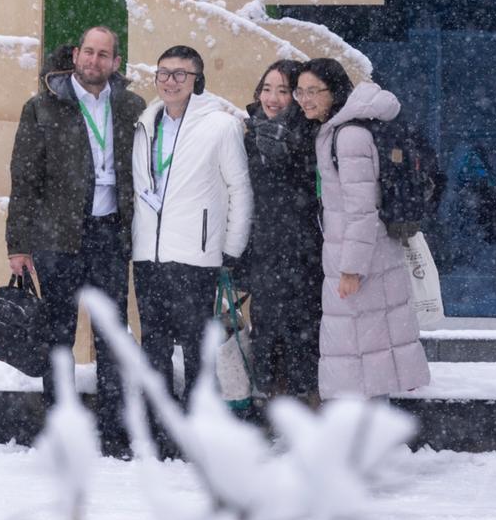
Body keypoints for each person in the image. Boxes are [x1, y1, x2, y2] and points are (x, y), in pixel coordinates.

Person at [7, 25, 146, 445]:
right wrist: (18, 243)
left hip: (110, 235)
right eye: (89, 52)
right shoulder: (43, 107)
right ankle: (61, 428)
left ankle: (112, 431)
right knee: (58, 335)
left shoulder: (132, 107)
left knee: (111, 335)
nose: (94, 61)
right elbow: (24, 178)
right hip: (57, 238)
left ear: (115, 63)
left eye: (104, 55)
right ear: (75, 55)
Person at [129, 46, 251, 446]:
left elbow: (239, 189)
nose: (170, 80)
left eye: (181, 74)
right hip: (149, 255)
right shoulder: (145, 123)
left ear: (198, 80)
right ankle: (160, 428)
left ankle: (198, 429)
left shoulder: (219, 125)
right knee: (155, 348)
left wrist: (231, 249)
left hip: (196, 257)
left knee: (199, 350)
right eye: (164, 72)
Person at [292, 58, 431, 397]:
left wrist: (351, 269)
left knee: (362, 360)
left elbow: (361, 210)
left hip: (360, 263)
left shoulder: (349, 136)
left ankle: (365, 445)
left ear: (334, 92)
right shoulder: (338, 129)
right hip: (367, 257)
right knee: (370, 357)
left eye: (314, 91)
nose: (305, 99)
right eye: (300, 91)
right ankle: (367, 443)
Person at [242, 59, 322, 404]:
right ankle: (269, 409)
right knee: (265, 333)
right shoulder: (249, 136)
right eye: (267, 88)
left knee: (303, 334)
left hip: (304, 254)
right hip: (263, 252)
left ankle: (306, 409)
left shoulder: (311, 136)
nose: (272, 98)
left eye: (283, 91)